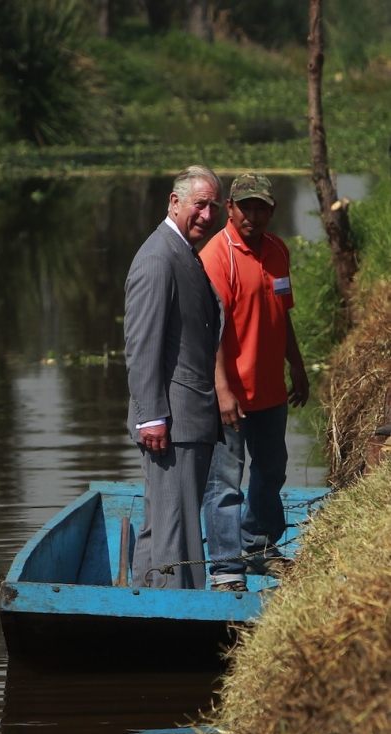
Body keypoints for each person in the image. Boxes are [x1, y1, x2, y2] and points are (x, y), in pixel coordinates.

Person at [200, 172, 310, 592]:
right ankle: (227, 569)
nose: (253, 214)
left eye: (261, 206)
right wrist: (223, 390)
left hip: (270, 391)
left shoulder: (279, 250)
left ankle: (260, 546)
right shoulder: (218, 255)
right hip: (230, 393)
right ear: (229, 208)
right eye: (245, 206)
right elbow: (210, 332)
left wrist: (296, 365)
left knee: (272, 469)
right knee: (225, 483)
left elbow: (283, 316)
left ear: (272, 210)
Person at [124, 165, 224, 589]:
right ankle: (174, 622)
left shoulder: (182, 251)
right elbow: (141, 345)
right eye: (200, 205)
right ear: (175, 201)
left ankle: (141, 609)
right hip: (172, 421)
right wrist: (151, 417)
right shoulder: (157, 258)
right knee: (175, 533)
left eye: (214, 207)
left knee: (160, 525)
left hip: (187, 417)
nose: (207, 215)